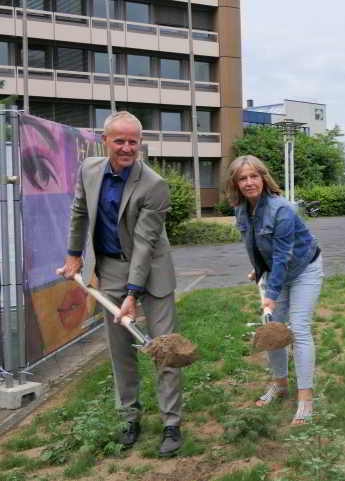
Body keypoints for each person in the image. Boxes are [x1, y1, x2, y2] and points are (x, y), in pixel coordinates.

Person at [56, 111, 183, 456]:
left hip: (152, 272)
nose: (127, 148)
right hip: (110, 269)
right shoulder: (89, 170)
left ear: (140, 142)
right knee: (120, 349)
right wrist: (73, 256)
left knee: (164, 348)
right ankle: (130, 416)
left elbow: (144, 245)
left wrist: (132, 294)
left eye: (133, 141)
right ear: (105, 140)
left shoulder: (154, 184)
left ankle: (172, 423)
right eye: (120, 141)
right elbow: (80, 212)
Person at [226, 155, 323, 425]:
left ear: (263, 178)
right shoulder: (242, 210)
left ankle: (305, 398)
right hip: (276, 271)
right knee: (272, 329)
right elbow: (253, 245)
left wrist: (270, 295)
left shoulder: (283, 209)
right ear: (236, 184)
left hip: (305, 268)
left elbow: (282, 255)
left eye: (253, 176)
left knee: (299, 328)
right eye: (242, 178)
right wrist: (258, 270)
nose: (249, 182)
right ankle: (280, 384)